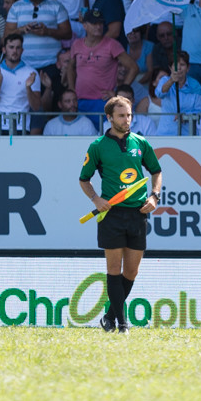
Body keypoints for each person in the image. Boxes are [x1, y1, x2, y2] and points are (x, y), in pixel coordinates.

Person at [79, 95, 163, 333]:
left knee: (132, 271)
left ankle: (109, 317)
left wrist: (154, 196)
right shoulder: (97, 146)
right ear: (109, 118)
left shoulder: (141, 143)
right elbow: (84, 179)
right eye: (121, 116)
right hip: (111, 215)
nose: (127, 120)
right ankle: (123, 324)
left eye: (129, 115)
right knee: (114, 269)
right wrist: (96, 199)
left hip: (138, 213)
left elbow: (156, 171)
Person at [0, 33, 42, 135]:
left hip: (21, 127)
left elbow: (36, 107)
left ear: (22, 50)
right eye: (11, 47)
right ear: (4, 50)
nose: (15, 51)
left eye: (18, 48)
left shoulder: (31, 73)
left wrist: (28, 88)